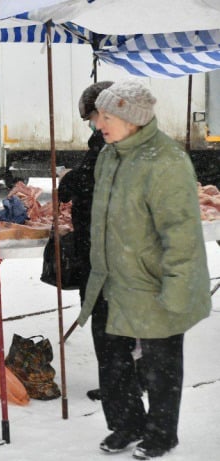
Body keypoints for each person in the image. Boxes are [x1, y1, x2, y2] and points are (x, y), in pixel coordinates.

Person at [77, 79, 211, 459]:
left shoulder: (165, 160)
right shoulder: (109, 154)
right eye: (98, 116)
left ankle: (162, 433)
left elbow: (180, 232)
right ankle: (126, 425)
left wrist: (178, 288)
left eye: (106, 116)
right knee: (113, 361)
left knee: (160, 366)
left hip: (152, 282)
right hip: (110, 279)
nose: (98, 124)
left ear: (131, 118)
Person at [59, 81, 115, 403]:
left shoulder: (112, 143)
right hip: (96, 241)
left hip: (103, 245)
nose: (93, 124)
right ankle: (120, 377)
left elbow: (96, 179)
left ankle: (117, 380)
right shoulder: (102, 140)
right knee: (104, 315)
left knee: (105, 316)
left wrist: (70, 181)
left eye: (92, 116)